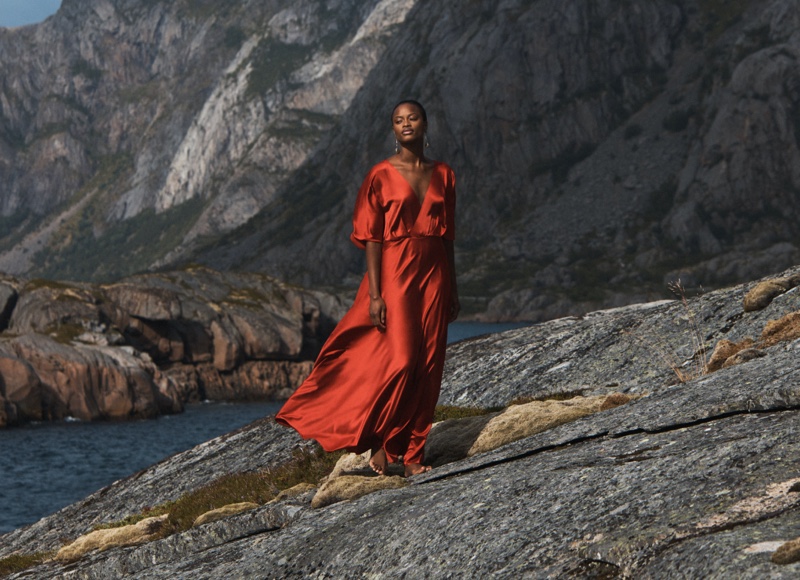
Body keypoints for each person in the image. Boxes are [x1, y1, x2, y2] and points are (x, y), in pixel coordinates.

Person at [275, 99, 459, 477]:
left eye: (413, 118)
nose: (406, 124)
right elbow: (371, 238)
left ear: (426, 124)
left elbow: (448, 237)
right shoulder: (379, 175)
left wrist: (453, 286)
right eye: (398, 120)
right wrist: (375, 294)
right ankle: (379, 439)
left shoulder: (445, 174)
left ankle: (412, 457)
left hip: (435, 274)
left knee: (429, 366)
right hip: (396, 272)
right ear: (393, 130)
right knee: (404, 361)